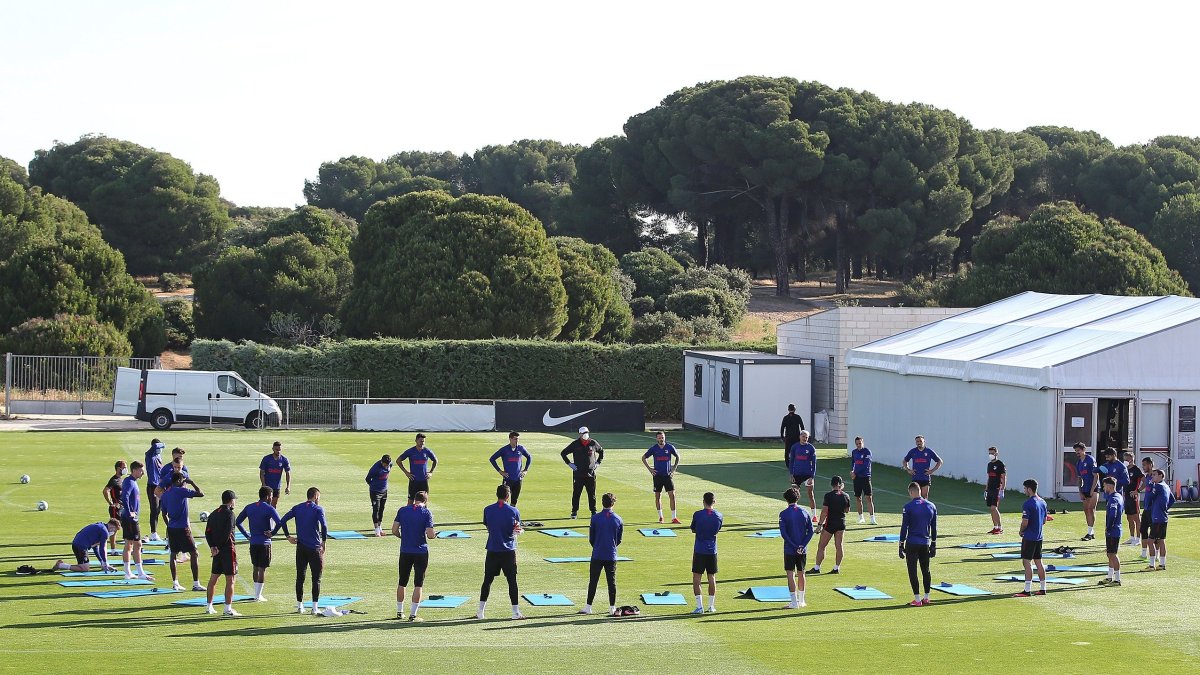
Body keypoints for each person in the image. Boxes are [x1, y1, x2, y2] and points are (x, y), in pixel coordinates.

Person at [276, 487, 329, 615]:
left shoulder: (297, 507)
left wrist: (288, 536)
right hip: (315, 548)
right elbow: (324, 526)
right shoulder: (318, 509)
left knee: (300, 577)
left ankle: (300, 606)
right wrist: (324, 542)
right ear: (316, 496)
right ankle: (314, 607)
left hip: (301, 548)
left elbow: (282, 520)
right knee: (316, 578)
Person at [477, 484, 525, 620]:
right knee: (512, 581)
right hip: (508, 550)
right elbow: (516, 528)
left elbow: (488, 526)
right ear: (508, 496)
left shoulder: (487, 510)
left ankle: (481, 611)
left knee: (487, 580)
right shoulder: (514, 511)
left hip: (492, 549)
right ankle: (515, 612)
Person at [236, 486, 288, 601]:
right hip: (264, 543)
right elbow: (280, 522)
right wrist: (272, 533)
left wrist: (247, 535)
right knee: (262, 569)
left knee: (255, 567)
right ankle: (258, 595)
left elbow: (238, 522)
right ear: (268, 496)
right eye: (271, 495)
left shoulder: (249, 507)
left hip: (253, 542)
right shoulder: (269, 508)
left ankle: (256, 593)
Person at [158, 472, 206, 591]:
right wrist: (191, 482)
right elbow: (201, 494)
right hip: (183, 528)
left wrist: (169, 525)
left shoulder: (165, 494)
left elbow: (163, 514)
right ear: (179, 480)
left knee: (173, 554)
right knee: (194, 553)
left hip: (171, 528)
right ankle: (196, 584)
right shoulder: (181, 491)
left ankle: (175, 583)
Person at [392, 491, 436, 622]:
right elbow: (430, 534)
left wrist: (402, 537)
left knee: (402, 581)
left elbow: (394, 530)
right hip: (421, 551)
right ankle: (413, 614)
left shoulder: (403, 510)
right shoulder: (426, 513)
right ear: (425, 501)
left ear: (414, 499)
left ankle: (400, 611)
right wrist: (434, 535)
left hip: (405, 550)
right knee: (418, 583)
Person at [580, 492, 623, 616]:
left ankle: (588, 606)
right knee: (611, 582)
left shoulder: (595, 518)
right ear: (613, 503)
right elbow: (619, 539)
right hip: (611, 554)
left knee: (593, 581)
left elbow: (591, 538)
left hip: (597, 554)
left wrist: (598, 546)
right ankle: (612, 607)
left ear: (602, 503)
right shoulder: (618, 519)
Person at [898, 482, 937, 606]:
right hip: (925, 542)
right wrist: (934, 544)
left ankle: (917, 599)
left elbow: (904, 527)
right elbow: (934, 528)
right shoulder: (931, 506)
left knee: (912, 570)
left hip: (912, 543)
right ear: (920, 490)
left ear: (911, 492)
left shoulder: (908, 507)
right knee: (926, 570)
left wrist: (900, 544)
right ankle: (926, 597)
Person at [204, 490, 241, 616]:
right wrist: (218, 547)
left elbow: (207, 532)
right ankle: (228, 608)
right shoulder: (230, 514)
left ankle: (209, 606)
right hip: (227, 549)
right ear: (231, 501)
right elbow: (227, 533)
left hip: (217, 551)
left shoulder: (214, 513)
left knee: (213, 578)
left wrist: (213, 547)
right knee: (231, 579)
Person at [778, 487, 814, 610]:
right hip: (802, 549)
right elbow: (811, 531)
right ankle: (802, 600)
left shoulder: (783, 514)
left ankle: (794, 602)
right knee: (801, 573)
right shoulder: (805, 512)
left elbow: (784, 534)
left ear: (786, 499)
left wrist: (794, 546)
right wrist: (802, 545)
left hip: (789, 549)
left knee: (790, 574)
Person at [808, 476, 851, 575]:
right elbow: (847, 510)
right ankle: (836, 568)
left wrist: (819, 525)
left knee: (822, 546)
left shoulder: (828, 496)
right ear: (841, 484)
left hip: (830, 523)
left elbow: (824, 512)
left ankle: (817, 567)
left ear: (831, 484)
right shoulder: (846, 496)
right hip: (841, 523)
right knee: (839, 546)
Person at [1013, 479, 1048, 598]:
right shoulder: (1043, 502)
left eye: (1024, 489)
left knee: (1026, 562)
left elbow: (1025, 522)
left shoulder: (1028, 504)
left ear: (1029, 489)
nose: (1024, 491)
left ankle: (1027, 590)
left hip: (1029, 537)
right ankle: (1043, 588)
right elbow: (1044, 521)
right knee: (1039, 561)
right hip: (1039, 536)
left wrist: (1021, 531)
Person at [689, 492, 723, 614]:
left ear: (703, 501)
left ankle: (699, 606)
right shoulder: (719, 515)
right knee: (711, 577)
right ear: (714, 502)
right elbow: (718, 529)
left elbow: (693, 528)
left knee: (697, 577)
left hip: (699, 549)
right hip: (712, 550)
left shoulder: (698, 514)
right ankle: (711, 606)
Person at [119, 461, 153, 580]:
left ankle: (136, 572)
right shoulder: (129, 482)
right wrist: (129, 513)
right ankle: (132, 572)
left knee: (135, 544)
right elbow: (124, 497)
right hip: (130, 519)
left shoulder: (132, 482)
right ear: (134, 470)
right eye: (141, 470)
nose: (143, 473)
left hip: (131, 517)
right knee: (133, 544)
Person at [560, 426, 604, 519]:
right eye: (583, 433)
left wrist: (598, 462)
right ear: (580, 434)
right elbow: (563, 453)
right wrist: (569, 463)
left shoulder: (593, 443)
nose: (585, 435)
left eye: (586, 432)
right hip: (578, 474)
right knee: (576, 493)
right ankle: (574, 512)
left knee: (591, 494)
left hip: (590, 473)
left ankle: (593, 511)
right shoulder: (575, 444)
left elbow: (601, 451)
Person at [641, 431, 680, 524]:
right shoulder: (654, 448)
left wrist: (674, 469)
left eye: (662, 437)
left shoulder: (670, 447)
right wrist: (650, 469)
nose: (661, 439)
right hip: (657, 476)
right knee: (658, 496)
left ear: (664, 438)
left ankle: (674, 517)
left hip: (667, 476)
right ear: (656, 439)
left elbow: (677, 456)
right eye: (659, 438)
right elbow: (643, 457)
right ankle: (661, 517)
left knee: (672, 495)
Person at [53, 519, 119, 573]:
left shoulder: (101, 526)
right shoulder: (104, 532)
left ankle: (61, 565)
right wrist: (105, 562)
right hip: (80, 546)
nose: (113, 532)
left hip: (78, 544)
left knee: (84, 566)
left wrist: (102, 562)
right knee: (85, 569)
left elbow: (96, 547)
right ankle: (61, 565)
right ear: (112, 527)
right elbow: (102, 549)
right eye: (114, 530)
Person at [490, 432, 532, 506]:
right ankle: (502, 515)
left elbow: (529, 457)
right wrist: (500, 471)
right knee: (503, 501)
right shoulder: (504, 450)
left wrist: (525, 470)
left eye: (518, 439)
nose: (517, 441)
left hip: (518, 480)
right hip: (508, 479)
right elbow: (492, 459)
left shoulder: (521, 448)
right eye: (515, 439)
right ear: (510, 439)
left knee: (514, 501)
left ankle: (512, 516)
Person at [1144, 469, 1174, 572]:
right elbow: (1172, 499)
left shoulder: (1158, 486)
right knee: (1161, 541)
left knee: (1150, 541)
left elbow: (1149, 496)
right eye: (1152, 475)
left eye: (1154, 475)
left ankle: (1152, 565)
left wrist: (1150, 486)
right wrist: (1164, 508)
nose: (1152, 477)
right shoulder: (1166, 486)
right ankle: (1162, 564)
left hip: (1157, 517)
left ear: (1161, 475)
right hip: (1163, 516)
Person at [398, 433, 438, 505]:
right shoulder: (410, 451)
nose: (422, 443)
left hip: (423, 480)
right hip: (414, 480)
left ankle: (423, 515)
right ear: (416, 441)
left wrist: (431, 472)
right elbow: (398, 461)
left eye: (423, 441)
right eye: (420, 441)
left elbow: (435, 460)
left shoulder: (427, 451)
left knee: (424, 502)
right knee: (410, 501)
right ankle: (409, 516)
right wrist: (406, 472)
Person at [1099, 477, 1124, 587]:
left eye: (1104, 486)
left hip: (1113, 531)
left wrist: (1109, 527)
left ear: (1109, 486)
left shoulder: (1113, 499)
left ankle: (1117, 579)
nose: (1103, 488)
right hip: (1114, 529)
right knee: (1109, 554)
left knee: (1113, 554)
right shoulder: (1117, 496)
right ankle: (1109, 577)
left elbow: (1113, 514)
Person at [787, 430, 818, 514]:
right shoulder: (794, 447)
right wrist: (791, 474)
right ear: (800, 436)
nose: (805, 438)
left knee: (810, 494)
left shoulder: (811, 448)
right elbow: (791, 461)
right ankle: (793, 513)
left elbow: (814, 463)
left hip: (807, 475)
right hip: (796, 475)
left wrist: (812, 477)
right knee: (794, 496)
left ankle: (814, 515)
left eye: (806, 437)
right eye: (803, 436)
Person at [1074, 442, 1098, 541]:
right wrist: (1080, 491)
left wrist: (1092, 490)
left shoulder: (1090, 460)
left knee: (1091, 509)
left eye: (1078, 450)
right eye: (1076, 451)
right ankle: (1090, 531)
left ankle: (1090, 532)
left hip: (1093, 488)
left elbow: (1096, 476)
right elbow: (1079, 478)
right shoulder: (1079, 463)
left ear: (1083, 450)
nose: (1077, 453)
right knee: (1086, 510)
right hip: (1085, 488)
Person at [102, 460, 127, 552]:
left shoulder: (121, 479)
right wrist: (111, 503)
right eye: (124, 467)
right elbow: (105, 491)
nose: (125, 469)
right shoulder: (114, 480)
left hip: (122, 507)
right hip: (116, 508)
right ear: (118, 469)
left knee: (125, 526)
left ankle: (128, 546)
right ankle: (113, 549)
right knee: (113, 529)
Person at [144, 438, 165, 542]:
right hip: (152, 486)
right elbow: (156, 446)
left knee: (159, 509)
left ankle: (155, 532)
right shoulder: (149, 454)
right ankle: (153, 532)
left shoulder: (158, 456)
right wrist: (161, 444)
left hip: (160, 485)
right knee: (154, 509)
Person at [849, 437, 875, 525]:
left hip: (865, 477)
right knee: (858, 497)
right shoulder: (854, 452)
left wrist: (854, 472)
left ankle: (872, 518)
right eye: (857, 444)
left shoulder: (867, 452)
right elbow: (853, 463)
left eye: (860, 443)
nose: (858, 445)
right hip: (857, 478)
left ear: (863, 443)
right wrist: (852, 471)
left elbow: (866, 465)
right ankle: (861, 517)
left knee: (868, 497)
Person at [259, 441, 292, 508]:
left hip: (276, 486)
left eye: (279, 450)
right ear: (273, 449)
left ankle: (271, 517)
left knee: (274, 504)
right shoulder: (266, 459)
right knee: (265, 504)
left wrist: (288, 486)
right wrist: (263, 484)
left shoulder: (284, 460)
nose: (278, 451)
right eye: (277, 450)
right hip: (267, 486)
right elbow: (262, 472)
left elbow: (288, 473)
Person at [365, 454, 392, 536]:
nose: (386, 466)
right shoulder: (375, 468)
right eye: (385, 464)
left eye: (387, 465)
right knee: (376, 509)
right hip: (375, 491)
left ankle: (380, 527)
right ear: (381, 462)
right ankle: (376, 529)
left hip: (384, 490)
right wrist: (374, 486)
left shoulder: (390, 464)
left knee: (382, 509)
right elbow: (367, 479)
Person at [1123, 452, 1143, 547]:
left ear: (1132, 459)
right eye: (1125, 459)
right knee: (1129, 518)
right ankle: (1132, 538)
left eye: (1128, 459)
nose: (1126, 461)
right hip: (1126, 496)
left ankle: (1138, 538)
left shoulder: (1136, 470)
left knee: (1136, 518)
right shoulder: (1124, 469)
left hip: (1133, 497)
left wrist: (1137, 491)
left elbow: (1145, 481)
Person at [985, 447, 1007, 534]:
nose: (990, 455)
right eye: (989, 453)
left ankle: (1000, 527)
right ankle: (995, 527)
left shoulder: (1000, 464)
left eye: (992, 453)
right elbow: (989, 477)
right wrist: (986, 489)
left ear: (996, 454)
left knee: (994, 507)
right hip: (990, 488)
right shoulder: (989, 465)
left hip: (997, 488)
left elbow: (1003, 477)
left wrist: (1002, 489)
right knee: (991, 508)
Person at [1139, 457, 1155, 559]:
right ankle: (1144, 553)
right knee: (1143, 529)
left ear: (1150, 464)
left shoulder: (1155, 476)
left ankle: (1156, 554)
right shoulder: (1147, 476)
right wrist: (1138, 490)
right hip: (1146, 508)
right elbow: (1145, 484)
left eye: (1144, 465)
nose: (1143, 467)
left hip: (1154, 510)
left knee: (1154, 533)